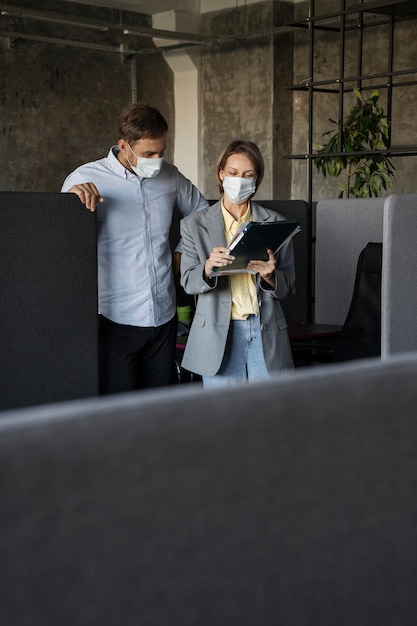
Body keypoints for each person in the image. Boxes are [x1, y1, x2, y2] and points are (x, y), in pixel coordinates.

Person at [61, 102, 209, 394]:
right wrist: (71, 200)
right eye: (148, 154)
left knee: (159, 409)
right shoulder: (85, 179)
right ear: (123, 146)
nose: (157, 159)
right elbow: (61, 236)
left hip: (164, 316)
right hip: (115, 318)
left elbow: (203, 213)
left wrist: (183, 251)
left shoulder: (170, 176)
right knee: (120, 414)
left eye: (161, 152)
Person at [179, 140, 296, 388]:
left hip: (265, 332)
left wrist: (270, 277)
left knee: (268, 415)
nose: (239, 180)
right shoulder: (194, 225)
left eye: (247, 175)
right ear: (221, 174)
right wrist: (208, 266)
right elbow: (188, 282)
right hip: (218, 334)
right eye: (233, 173)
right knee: (224, 419)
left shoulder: (274, 222)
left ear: (256, 180)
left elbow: (288, 288)